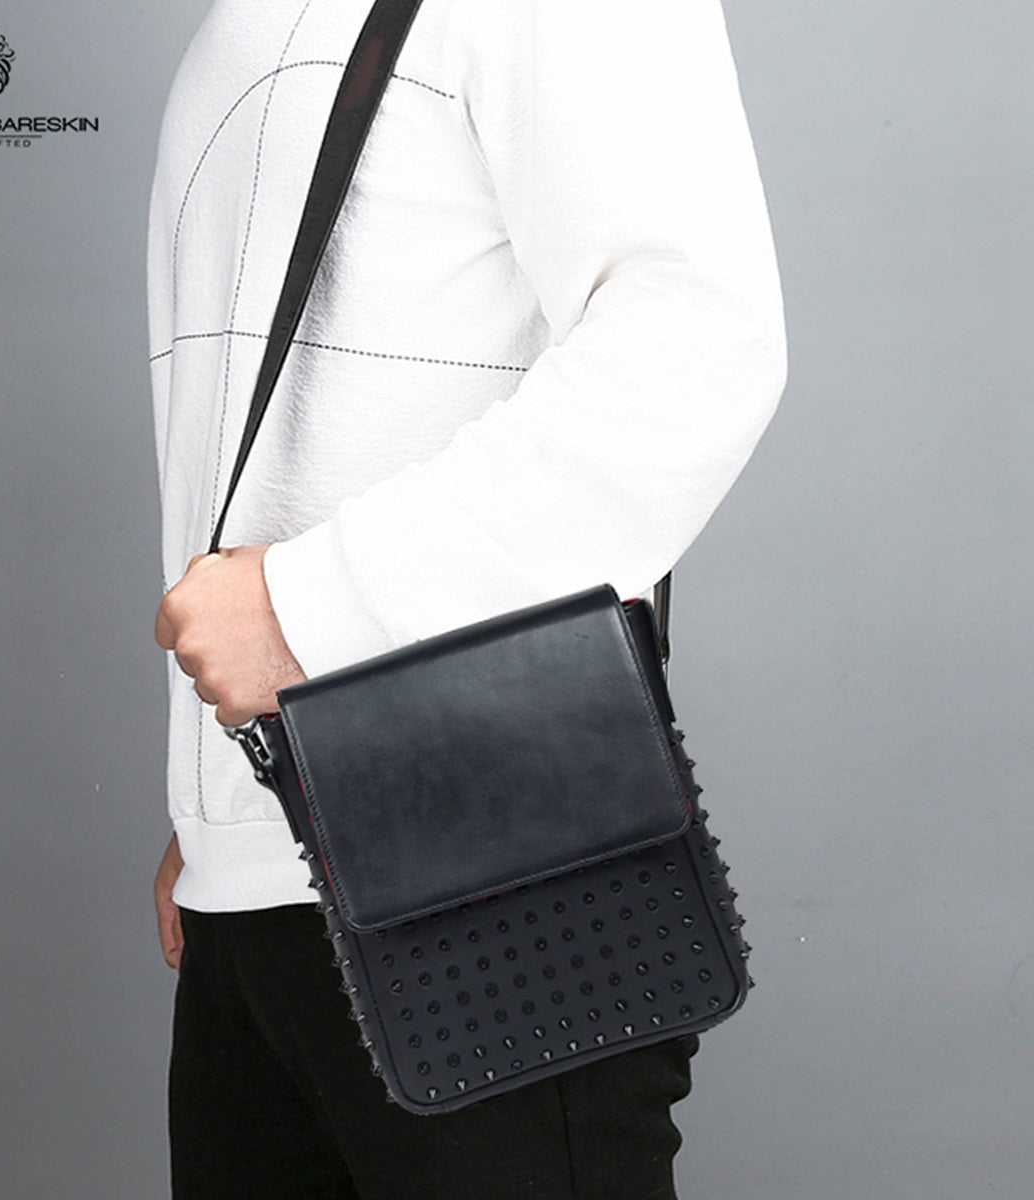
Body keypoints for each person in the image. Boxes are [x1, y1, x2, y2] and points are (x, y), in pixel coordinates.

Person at [147, 0, 786, 1196]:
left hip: (487, 879)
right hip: (267, 870)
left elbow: (697, 348)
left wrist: (307, 613)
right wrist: (225, 797)